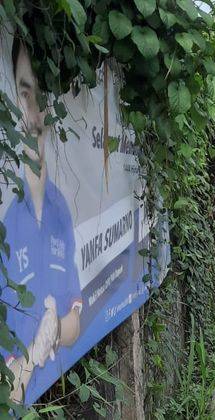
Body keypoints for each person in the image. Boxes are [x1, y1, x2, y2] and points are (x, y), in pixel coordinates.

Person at [3, 41, 83, 403]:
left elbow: (75, 323)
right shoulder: (6, 223)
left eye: (37, 95)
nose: (31, 112)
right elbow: (11, 393)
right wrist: (28, 358)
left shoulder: (60, 210)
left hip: (52, 389)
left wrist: (53, 330)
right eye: (23, 93)